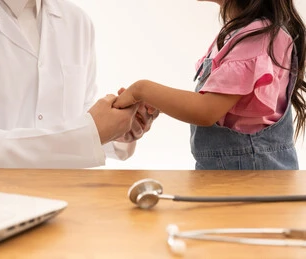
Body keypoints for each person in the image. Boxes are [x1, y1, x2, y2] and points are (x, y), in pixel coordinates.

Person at [0, 0, 158, 168]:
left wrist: (116, 131)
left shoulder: (77, 22)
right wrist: (90, 134)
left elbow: (73, 127)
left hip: (58, 206)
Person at [114, 0, 306, 170]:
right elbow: (220, 107)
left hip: (253, 179)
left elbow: (206, 111)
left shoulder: (257, 37)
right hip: (231, 175)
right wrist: (159, 104)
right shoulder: (239, 34)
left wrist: (142, 90)